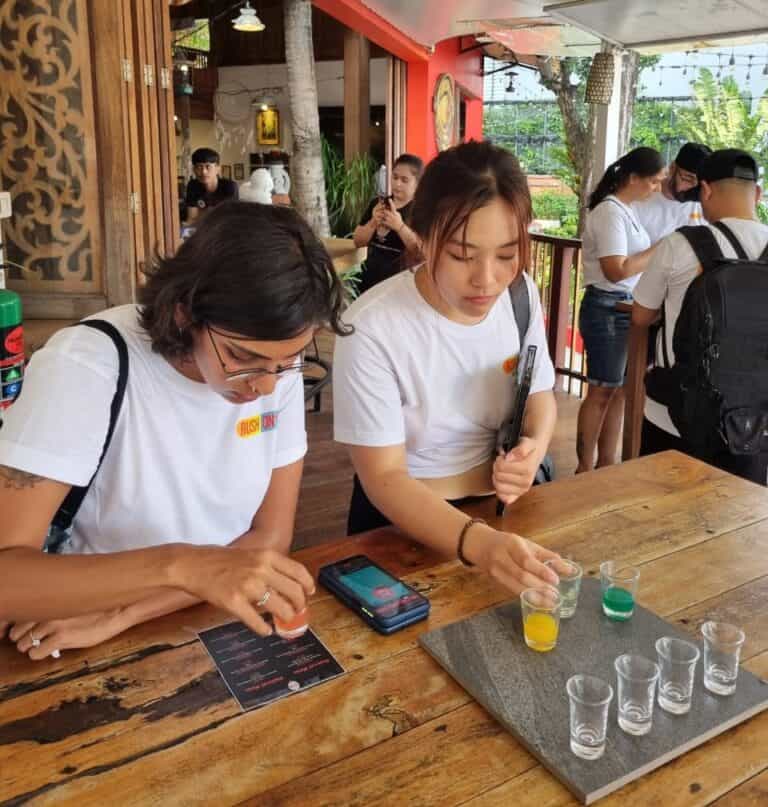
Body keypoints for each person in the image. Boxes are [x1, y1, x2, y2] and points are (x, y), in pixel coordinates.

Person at [0, 202, 348, 659]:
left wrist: (125, 612)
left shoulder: (273, 371)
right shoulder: (87, 366)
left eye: (287, 361)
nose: (264, 386)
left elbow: (269, 537)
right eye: (242, 358)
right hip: (69, 635)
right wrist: (184, 565)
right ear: (185, 314)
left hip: (179, 620)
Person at [334, 140, 561, 596]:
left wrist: (532, 452)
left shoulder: (520, 296)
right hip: (403, 524)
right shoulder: (373, 326)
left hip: (503, 511)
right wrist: (479, 544)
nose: (487, 279)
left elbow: (540, 396)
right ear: (423, 235)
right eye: (461, 255)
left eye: (506, 254)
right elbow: (384, 477)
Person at [632, 148, 768, 481]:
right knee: (737, 522)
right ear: (758, 193)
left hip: (675, 417)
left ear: (705, 190)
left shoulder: (680, 244)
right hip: (753, 426)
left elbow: (640, 316)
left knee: (659, 517)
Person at [576, 147, 665, 474]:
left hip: (623, 307)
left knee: (617, 393)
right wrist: (659, 249)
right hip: (607, 308)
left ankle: (607, 463)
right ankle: (585, 468)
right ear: (633, 178)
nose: (657, 188)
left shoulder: (625, 210)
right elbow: (616, 269)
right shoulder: (609, 212)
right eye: (654, 181)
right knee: (601, 391)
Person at [353, 154, 424, 295]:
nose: (397, 184)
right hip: (369, 279)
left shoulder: (421, 211)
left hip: (400, 282)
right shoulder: (378, 204)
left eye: (405, 180)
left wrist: (399, 226)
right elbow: (358, 241)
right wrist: (373, 222)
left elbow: (421, 252)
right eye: (395, 177)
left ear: (417, 184)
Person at [633, 142, 711, 242]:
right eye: (688, 178)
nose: (692, 187)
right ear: (672, 167)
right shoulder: (642, 200)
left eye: (699, 183)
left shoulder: (703, 205)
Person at [184, 147, 239, 223]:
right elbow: (192, 218)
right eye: (199, 167)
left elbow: (230, 218)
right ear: (194, 170)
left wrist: (203, 213)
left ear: (217, 169)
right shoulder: (193, 185)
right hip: (202, 228)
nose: (204, 172)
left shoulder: (229, 186)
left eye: (208, 166)